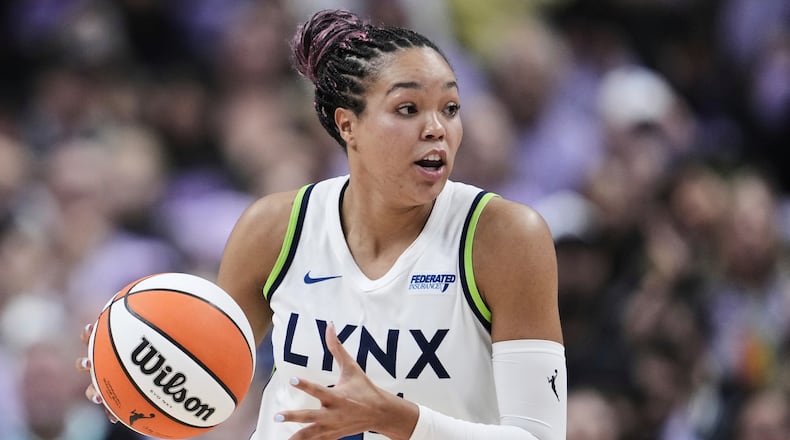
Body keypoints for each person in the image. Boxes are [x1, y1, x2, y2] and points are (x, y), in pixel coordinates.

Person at [78, 9, 567, 439]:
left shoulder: (506, 236)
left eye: (451, 108)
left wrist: (400, 420)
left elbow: (539, 437)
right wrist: (133, 369)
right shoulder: (275, 227)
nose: (437, 128)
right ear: (348, 124)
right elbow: (207, 374)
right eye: (408, 108)